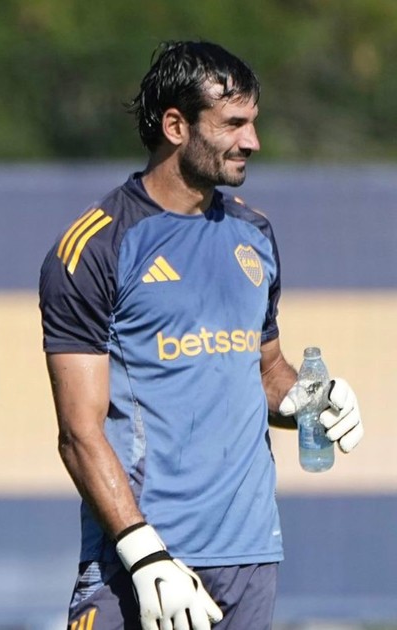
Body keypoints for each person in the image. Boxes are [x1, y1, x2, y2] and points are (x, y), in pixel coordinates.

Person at [39, 41, 364, 630]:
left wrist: (315, 399)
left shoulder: (254, 233)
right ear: (175, 126)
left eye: (253, 123)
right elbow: (78, 432)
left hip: (249, 558)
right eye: (233, 124)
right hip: (140, 562)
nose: (252, 141)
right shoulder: (97, 246)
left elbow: (266, 371)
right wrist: (145, 556)